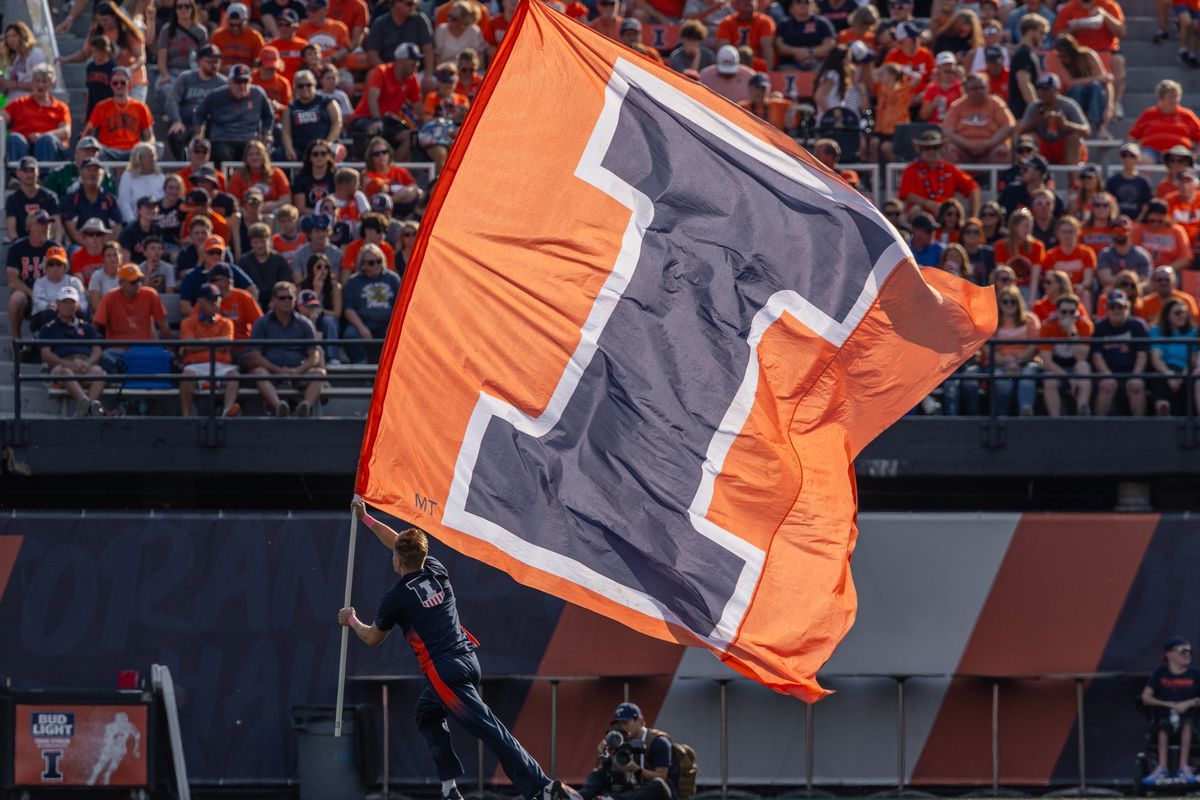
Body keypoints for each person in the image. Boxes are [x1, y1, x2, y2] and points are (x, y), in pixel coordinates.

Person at [338, 500, 577, 800]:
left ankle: (541, 787)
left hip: (444, 672)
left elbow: (373, 638)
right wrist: (367, 519)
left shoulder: (396, 597)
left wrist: (351, 619)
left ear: (397, 561)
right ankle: (449, 788)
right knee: (426, 714)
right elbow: (399, 544)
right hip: (467, 660)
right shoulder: (436, 569)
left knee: (490, 729)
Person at [246, 281, 325, 416]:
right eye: (282, 298)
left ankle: (305, 407)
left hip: (298, 373)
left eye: (290, 298)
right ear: (273, 301)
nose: (287, 301)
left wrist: (297, 371)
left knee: (320, 373)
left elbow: (314, 355)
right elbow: (255, 355)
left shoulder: (305, 324)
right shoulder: (262, 323)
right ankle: (279, 406)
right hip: (271, 373)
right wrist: (277, 370)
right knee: (259, 372)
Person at [579, 703, 678, 800]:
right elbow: (610, 768)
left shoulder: (658, 742)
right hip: (634, 789)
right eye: (619, 724)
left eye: (625, 723)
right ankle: (579, 797)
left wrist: (636, 769)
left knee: (657, 784)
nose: (622, 727)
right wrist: (606, 753)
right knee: (599, 773)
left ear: (639, 721)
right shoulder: (622, 740)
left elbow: (662, 777)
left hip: (661, 794)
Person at [38, 285, 107, 417]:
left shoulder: (87, 327)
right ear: (57, 304)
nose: (68, 306)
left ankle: (87, 410)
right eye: (65, 302)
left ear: (77, 305)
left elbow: (97, 350)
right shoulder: (48, 327)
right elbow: (45, 354)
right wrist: (67, 363)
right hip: (62, 365)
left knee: (101, 373)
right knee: (63, 372)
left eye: (72, 302)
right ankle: (86, 403)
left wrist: (87, 364)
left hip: (85, 366)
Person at [1141, 636, 1200, 786]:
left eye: (1189, 651)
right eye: (1182, 651)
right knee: (1162, 726)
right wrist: (1168, 704)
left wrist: (1188, 703)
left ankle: (1184, 768)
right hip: (1164, 717)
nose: (1187, 654)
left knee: (1187, 724)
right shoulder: (1160, 673)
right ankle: (1162, 768)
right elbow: (1146, 697)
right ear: (1169, 654)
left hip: (1189, 719)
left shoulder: (1194, 674)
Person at [352, 43, 424, 161]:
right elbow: (372, 98)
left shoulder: (412, 78)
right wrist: (376, 120)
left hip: (388, 120)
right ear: (401, 61)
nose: (417, 65)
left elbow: (417, 105)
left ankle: (391, 168)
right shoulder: (381, 71)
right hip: (365, 117)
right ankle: (369, 167)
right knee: (376, 129)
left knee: (411, 136)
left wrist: (426, 123)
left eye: (417, 61)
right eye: (413, 61)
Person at [179, 284, 242, 417]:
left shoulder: (226, 323)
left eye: (217, 299)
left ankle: (227, 413)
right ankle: (187, 417)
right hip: (196, 366)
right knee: (186, 375)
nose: (216, 303)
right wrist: (216, 342)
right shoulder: (188, 322)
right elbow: (189, 346)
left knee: (234, 374)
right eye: (211, 300)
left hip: (221, 366)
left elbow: (227, 345)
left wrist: (199, 344)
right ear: (200, 302)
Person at [194, 64, 275, 164]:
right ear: (230, 82)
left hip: (248, 138)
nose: (241, 86)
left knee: (255, 153)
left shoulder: (258, 93)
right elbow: (199, 113)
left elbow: (268, 114)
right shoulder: (216, 95)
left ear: (250, 81)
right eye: (238, 82)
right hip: (222, 138)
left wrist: (267, 133)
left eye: (245, 81)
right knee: (221, 154)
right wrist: (199, 134)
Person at [1091, 289, 1148, 417]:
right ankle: (1097, 426)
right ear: (1107, 309)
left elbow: (1142, 354)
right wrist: (1106, 375)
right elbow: (1096, 355)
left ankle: (1140, 427)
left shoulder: (1137, 326)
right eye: (1113, 307)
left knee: (1136, 386)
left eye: (1121, 307)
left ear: (1127, 308)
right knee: (1106, 385)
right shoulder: (1100, 327)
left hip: (1130, 370)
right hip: (1108, 370)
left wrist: (1136, 375)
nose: (1117, 310)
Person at [898, 130, 981, 218]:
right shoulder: (911, 169)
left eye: (935, 148)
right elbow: (907, 195)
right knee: (915, 209)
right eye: (927, 148)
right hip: (922, 215)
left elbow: (973, 187)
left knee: (953, 210)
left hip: (947, 215)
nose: (931, 151)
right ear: (920, 151)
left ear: (941, 150)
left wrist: (974, 218)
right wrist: (929, 204)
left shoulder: (950, 169)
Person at [164, 45, 227, 160]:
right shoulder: (186, 78)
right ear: (200, 61)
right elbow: (172, 100)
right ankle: (184, 166)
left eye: (217, 62)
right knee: (175, 134)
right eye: (210, 62)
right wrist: (176, 121)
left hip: (210, 125)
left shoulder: (223, 83)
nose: (214, 65)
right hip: (186, 123)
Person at [342, 243, 401, 362]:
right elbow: (349, 309)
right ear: (362, 264)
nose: (376, 265)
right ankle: (360, 366)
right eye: (371, 263)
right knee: (350, 335)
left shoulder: (392, 279)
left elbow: (400, 305)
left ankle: (389, 366)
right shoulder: (353, 282)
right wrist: (362, 328)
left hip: (387, 324)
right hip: (363, 323)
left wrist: (393, 325)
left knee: (398, 335)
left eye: (378, 261)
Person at [1038, 291, 1093, 416]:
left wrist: (1072, 333)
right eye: (1064, 312)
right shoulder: (1047, 326)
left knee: (1083, 366)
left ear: (1077, 313)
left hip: (1075, 367)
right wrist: (1068, 378)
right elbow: (1046, 361)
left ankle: (1082, 411)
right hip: (1056, 367)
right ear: (1057, 312)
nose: (1068, 315)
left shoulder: (1084, 325)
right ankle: (1056, 419)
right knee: (1049, 380)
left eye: (1072, 312)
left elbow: (1081, 357)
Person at [7, 209, 58, 344]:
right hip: (27, 294)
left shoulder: (55, 249)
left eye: (47, 223)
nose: (46, 226)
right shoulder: (17, 249)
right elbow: (12, 281)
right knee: (16, 299)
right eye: (41, 223)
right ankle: (17, 341)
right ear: (30, 226)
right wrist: (33, 293)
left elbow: (64, 278)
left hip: (51, 295)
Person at [82, 66, 155, 161]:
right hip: (107, 151)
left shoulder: (141, 107)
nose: (119, 86)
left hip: (133, 152)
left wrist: (147, 146)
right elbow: (88, 131)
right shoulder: (101, 107)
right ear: (110, 84)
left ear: (129, 84)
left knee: (155, 148)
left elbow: (149, 136)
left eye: (123, 82)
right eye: (115, 83)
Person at [1016, 73, 1090, 166]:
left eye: (1047, 89)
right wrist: (1035, 122)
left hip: (1063, 148)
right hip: (1043, 149)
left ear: (1056, 90)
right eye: (1041, 89)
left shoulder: (1068, 105)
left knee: (1073, 137)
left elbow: (1087, 131)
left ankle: (1073, 178)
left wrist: (1066, 125)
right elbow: (1020, 132)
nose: (1043, 93)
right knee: (1029, 137)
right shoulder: (1034, 107)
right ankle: (1031, 172)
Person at [1, 64, 71, 161]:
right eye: (37, 81)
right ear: (32, 82)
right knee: (14, 139)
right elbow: (2, 117)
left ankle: (46, 176)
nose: (40, 85)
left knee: (46, 141)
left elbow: (65, 132)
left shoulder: (60, 107)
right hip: (23, 146)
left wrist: (42, 136)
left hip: (48, 148)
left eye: (44, 81)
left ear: (51, 84)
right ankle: (18, 174)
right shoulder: (19, 103)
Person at [942, 71, 1015, 164]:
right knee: (950, 151)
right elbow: (947, 132)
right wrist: (969, 145)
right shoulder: (957, 106)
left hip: (990, 149)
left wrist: (988, 144)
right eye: (975, 89)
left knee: (1001, 152)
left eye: (982, 88)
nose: (980, 92)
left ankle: (999, 179)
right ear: (966, 90)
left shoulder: (996, 103)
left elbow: (1009, 126)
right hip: (964, 149)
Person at [991, 285, 1042, 416]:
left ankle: (1025, 412)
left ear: (1018, 302)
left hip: (1026, 362)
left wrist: (1017, 360)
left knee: (1027, 377)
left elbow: (1033, 346)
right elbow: (987, 348)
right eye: (1005, 301)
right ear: (999, 303)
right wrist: (1004, 361)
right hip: (1002, 364)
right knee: (1002, 382)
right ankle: (1001, 418)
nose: (1009, 304)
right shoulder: (993, 322)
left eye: (1012, 301)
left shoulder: (1030, 319)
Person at [1128, 80, 1200, 162]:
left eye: (1176, 97)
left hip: (1179, 153)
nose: (1174, 100)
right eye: (1170, 97)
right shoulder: (1149, 113)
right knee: (1143, 159)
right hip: (1151, 152)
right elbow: (1132, 136)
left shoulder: (1187, 114)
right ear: (1161, 98)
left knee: (1181, 159)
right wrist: (1134, 151)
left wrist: (1196, 155)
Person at [1149, 297, 1198, 416]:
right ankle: (1163, 412)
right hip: (1165, 369)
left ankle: (1191, 421)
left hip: (1186, 371)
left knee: (1191, 382)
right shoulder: (1157, 331)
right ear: (1167, 315)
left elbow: (1193, 357)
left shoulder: (1194, 333)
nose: (1182, 316)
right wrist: (1168, 374)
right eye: (1177, 313)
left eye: (1185, 312)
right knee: (1159, 379)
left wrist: (1185, 374)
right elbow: (1156, 358)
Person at [282, 70, 343, 161]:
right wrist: (289, 148)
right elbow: (286, 131)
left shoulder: (328, 103)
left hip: (325, 145)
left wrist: (328, 143)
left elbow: (337, 123)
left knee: (334, 151)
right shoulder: (290, 108)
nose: (305, 88)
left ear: (314, 85)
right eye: (300, 86)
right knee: (279, 154)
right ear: (295, 88)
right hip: (300, 149)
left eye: (308, 85)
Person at [365, 0, 434, 76]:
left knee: (433, 82)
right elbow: (373, 55)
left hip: (417, 73)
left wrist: (428, 76)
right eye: (409, 4)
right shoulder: (380, 24)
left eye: (414, 4)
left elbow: (428, 50)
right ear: (395, 3)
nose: (413, 7)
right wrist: (388, 73)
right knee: (371, 75)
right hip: (387, 72)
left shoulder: (420, 20)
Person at [29, 245, 87, 333]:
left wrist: (70, 308)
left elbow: (83, 303)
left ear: (65, 266)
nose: (55, 267)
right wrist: (50, 306)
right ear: (46, 267)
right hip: (47, 316)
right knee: (49, 314)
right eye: (51, 264)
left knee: (81, 314)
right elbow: (38, 303)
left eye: (59, 264)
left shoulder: (74, 281)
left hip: (71, 313)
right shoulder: (39, 283)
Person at [239, 223, 293, 307]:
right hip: (252, 301)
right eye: (255, 242)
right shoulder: (244, 261)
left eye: (262, 241)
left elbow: (284, 284)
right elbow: (242, 287)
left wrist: (274, 301)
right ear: (251, 243)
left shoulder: (279, 260)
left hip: (276, 302)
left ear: (269, 241)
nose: (259, 245)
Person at [7, 157, 60, 242]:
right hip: (22, 244)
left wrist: (55, 246)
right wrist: (18, 246)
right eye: (25, 171)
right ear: (18, 173)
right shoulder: (12, 199)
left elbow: (57, 227)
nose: (29, 174)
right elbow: (11, 231)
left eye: (32, 170)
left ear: (37, 172)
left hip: (45, 243)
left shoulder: (50, 196)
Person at [1133, 200, 1192, 271]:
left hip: (1169, 272)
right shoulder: (1138, 229)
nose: (1156, 224)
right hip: (1143, 270)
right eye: (1152, 221)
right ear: (1146, 217)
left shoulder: (1177, 231)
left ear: (1166, 217)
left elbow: (1185, 258)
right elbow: (1130, 253)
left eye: (1160, 221)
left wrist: (1166, 270)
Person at [717, 0, 777, 66]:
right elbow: (724, 48)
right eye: (743, 1)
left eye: (750, 1)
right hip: (733, 63)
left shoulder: (765, 21)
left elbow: (767, 47)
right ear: (736, 4)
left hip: (756, 63)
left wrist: (768, 71)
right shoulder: (726, 23)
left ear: (756, 3)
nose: (747, 3)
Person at [117, 143, 165, 223]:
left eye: (153, 156)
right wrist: (133, 223)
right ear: (138, 159)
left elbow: (163, 202)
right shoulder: (127, 176)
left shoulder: (160, 177)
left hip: (157, 222)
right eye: (149, 156)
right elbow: (124, 203)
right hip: (133, 223)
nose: (152, 159)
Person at [1098, 216, 1153, 284]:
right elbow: (1105, 279)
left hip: (1136, 290)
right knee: (1107, 289)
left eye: (1123, 230)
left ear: (1130, 231)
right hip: (1113, 289)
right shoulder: (1105, 254)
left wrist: (1128, 286)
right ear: (1111, 232)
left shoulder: (1142, 255)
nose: (1119, 233)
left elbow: (1145, 280)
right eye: (1116, 230)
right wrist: (1127, 282)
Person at [0, 21, 47, 101]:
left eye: (14, 35)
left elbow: (41, 85)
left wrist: (14, 84)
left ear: (23, 36)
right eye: (8, 37)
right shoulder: (14, 58)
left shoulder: (35, 54)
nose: (11, 39)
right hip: (11, 101)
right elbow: (7, 87)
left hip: (29, 102)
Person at [210, 2, 265, 70]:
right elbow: (210, 61)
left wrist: (247, 71)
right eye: (232, 25)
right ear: (227, 21)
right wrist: (222, 68)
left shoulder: (255, 36)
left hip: (247, 76)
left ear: (246, 21)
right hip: (223, 76)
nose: (235, 28)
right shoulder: (217, 35)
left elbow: (260, 62)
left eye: (239, 25)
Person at [1106, 142, 1153, 221]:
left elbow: (1146, 204)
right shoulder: (1112, 181)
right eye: (1124, 155)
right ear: (1121, 158)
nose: (1128, 159)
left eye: (1132, 156)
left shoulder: (1144, 181)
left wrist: (1138, 221)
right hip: (1116, 224)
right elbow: (1109, 203)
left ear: (1138, 158)